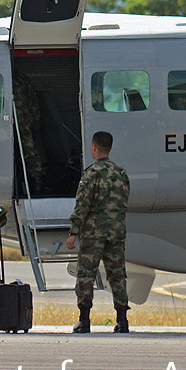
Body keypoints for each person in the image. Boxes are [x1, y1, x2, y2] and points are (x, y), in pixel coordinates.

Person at [66, 130, 131, 333]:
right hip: (116, 232)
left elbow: (82, 205)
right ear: (109, 148)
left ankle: (84, 321)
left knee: (86, 274)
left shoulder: (91, 174)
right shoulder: (121, 174)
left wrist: (74, 231)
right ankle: (122, 320)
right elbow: (123, 202)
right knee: (117, 275)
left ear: (94, 148)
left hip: (94, 233)